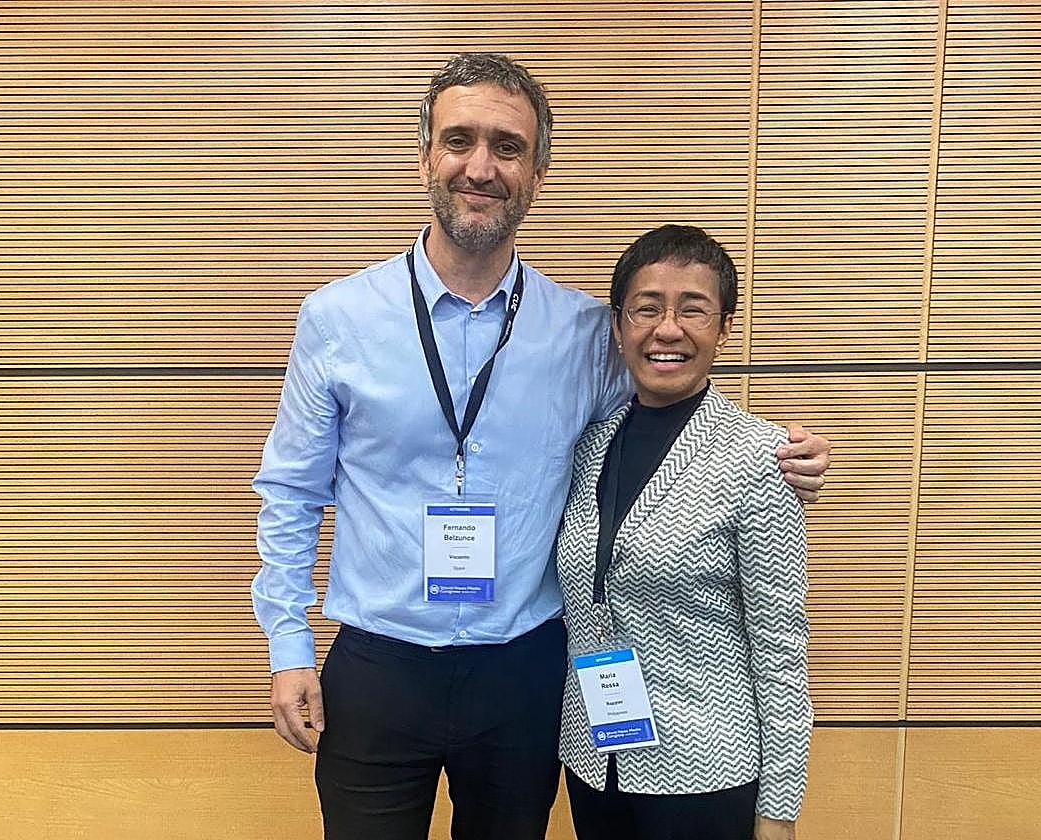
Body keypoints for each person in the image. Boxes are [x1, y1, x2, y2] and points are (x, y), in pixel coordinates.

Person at [251, 53, 828, 840]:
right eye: (459, 140)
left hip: (522, 673)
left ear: (538, 172)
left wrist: (778, 453)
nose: (480, 166)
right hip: (379, 669)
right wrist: (289, 646)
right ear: (425, 155)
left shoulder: (585, 332)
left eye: (508, 146)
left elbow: (674, 398)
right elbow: (291, 493)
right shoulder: (336, 318)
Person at [556, 225, 811, 840]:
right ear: (618, 327)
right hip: (594, 762)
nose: (666, 329)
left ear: (724, 328)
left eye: (693, 309)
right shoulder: (589, 444)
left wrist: (779, 809)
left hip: (706, 776)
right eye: (647, 308)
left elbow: (781, 651)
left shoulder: (759, 458)